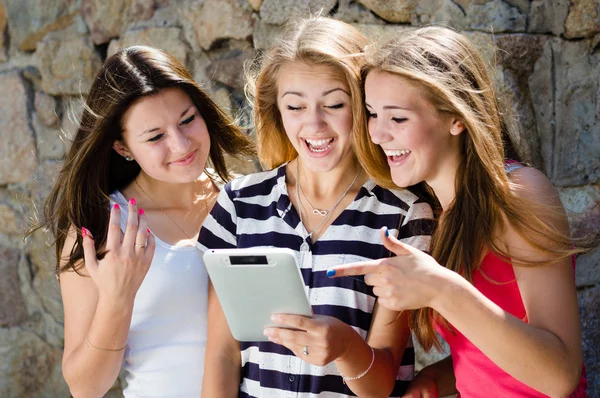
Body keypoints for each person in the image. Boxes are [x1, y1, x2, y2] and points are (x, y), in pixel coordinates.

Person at [329, 27, 589, 397]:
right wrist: (438, 377)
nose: (377, 134)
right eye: (372, 114)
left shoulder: (518, 193)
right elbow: (496, 351)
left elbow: (559, 374)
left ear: (456, 118)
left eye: (398, 119)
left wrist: (441, 289)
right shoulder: (436, 212)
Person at [198, 16, 434, 398]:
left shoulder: (405, 215)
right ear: (276, 109)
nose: (314, 124)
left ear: (362, 106)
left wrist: (345, 348)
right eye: (295, 106)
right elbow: (222, 355)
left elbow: (382, 383)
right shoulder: (238, 206)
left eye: (335, 104)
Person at [33, 46, 255, 397]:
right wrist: (117, 297)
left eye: (187, 120)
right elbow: (85, 387)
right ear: (123, 147)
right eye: (155, 137)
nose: (181, 144)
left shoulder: (247, 203)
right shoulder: (102, 227)